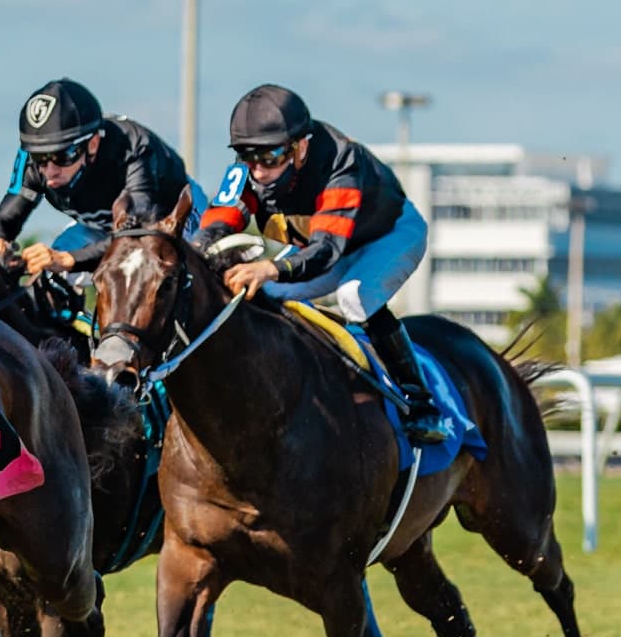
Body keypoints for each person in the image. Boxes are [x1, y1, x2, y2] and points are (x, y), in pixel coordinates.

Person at [189, 84, 447, 447]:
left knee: (354, 298)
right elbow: (220, 218)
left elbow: (325, 253)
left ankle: (422, 403)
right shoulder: (249, 169)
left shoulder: (341, 162)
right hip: (324, 244)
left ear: (301, 147)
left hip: (386, 237)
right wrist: (192, 250)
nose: (259, 171)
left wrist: (270, 268)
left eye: (271, 156)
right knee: (258, 296)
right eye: (249, 156)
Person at [0, 78, 205, 280]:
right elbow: (5, 221)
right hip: (101, 228)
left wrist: (68, 260)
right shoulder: (33, 162)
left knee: (143, 276)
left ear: (93, 144)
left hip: (167, 220)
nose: (50, 170)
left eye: (62, 156)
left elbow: (135, 239)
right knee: (50, 276)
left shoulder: (135, 149)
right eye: (39, 157)